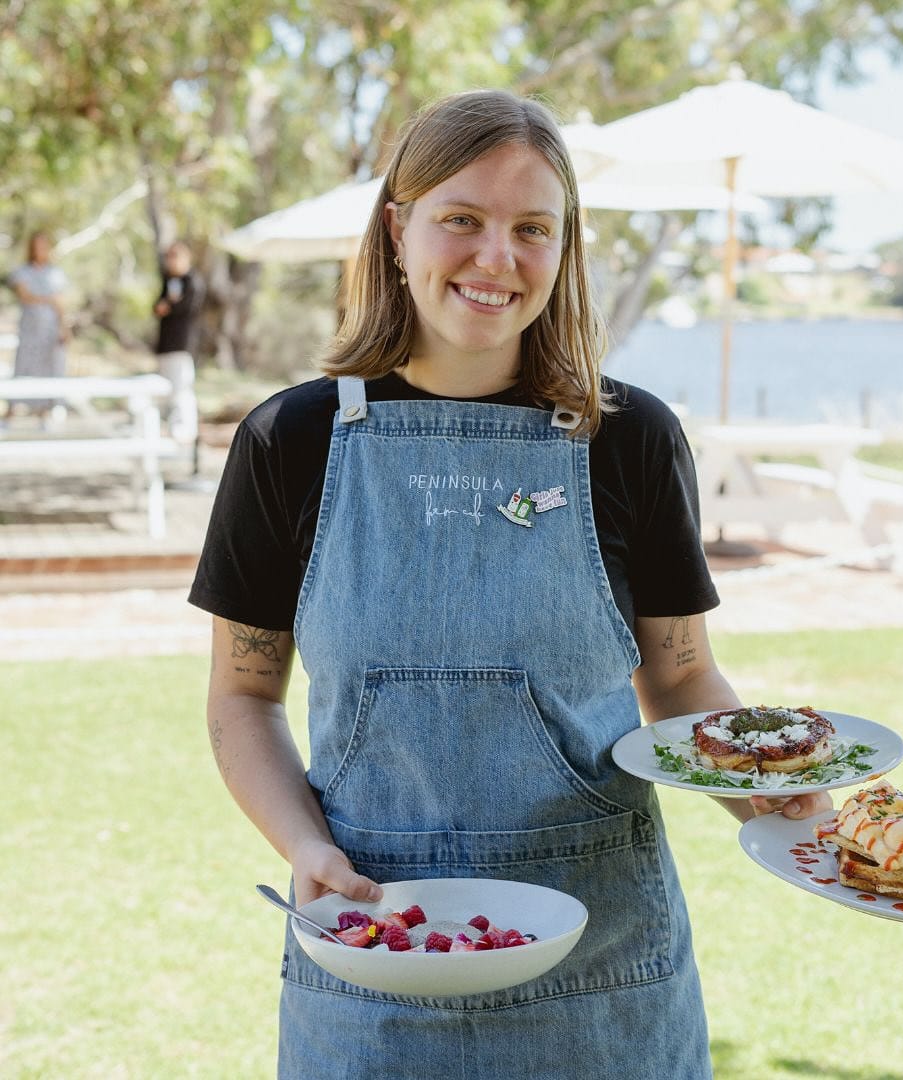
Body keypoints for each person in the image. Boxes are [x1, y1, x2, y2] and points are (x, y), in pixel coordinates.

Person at [189, 89, 828, 1079]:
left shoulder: (633, 441)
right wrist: (304, 848)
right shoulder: (290, 443)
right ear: (398, 229)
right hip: (370, 956)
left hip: (607, 979)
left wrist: (778, 797)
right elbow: (242, 696)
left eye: (534, 228)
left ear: (565, 249)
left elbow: (682, 681)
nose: (498, 259)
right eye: (462, 219)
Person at [8, 231, 69, 420]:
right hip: (30, 331)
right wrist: (50, 299)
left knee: (49, 369)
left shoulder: (56, 273)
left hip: (50, 331)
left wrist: (64, 328)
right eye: (37, 245)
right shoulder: (22, 271)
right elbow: (26, 296)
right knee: (23, 369)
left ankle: (43, 414)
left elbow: (61, 306)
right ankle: (10, 413)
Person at [153, 240, 202, 442]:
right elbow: (158, 307)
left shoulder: (193, 281)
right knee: (166, 389)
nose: (171, 261)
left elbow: (185, 308)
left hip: (182, 344)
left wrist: (169, 307)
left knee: (182, 388)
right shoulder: (167, 280)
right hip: (165, 344)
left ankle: (186, 429)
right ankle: (172, 426)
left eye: (175, 256)